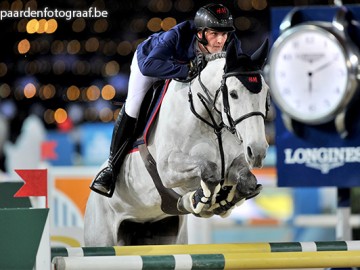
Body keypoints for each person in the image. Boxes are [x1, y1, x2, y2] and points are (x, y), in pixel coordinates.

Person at [90, 3, 242, 197]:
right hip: (151, 63)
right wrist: (187, 69)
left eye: (224, 34)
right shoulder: (177, 35)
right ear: (200, 33)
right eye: (214, 34)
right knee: (134, 106)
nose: (220, 40)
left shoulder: (231, 41)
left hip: (185, 69)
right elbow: (149, 66)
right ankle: (111, 168)